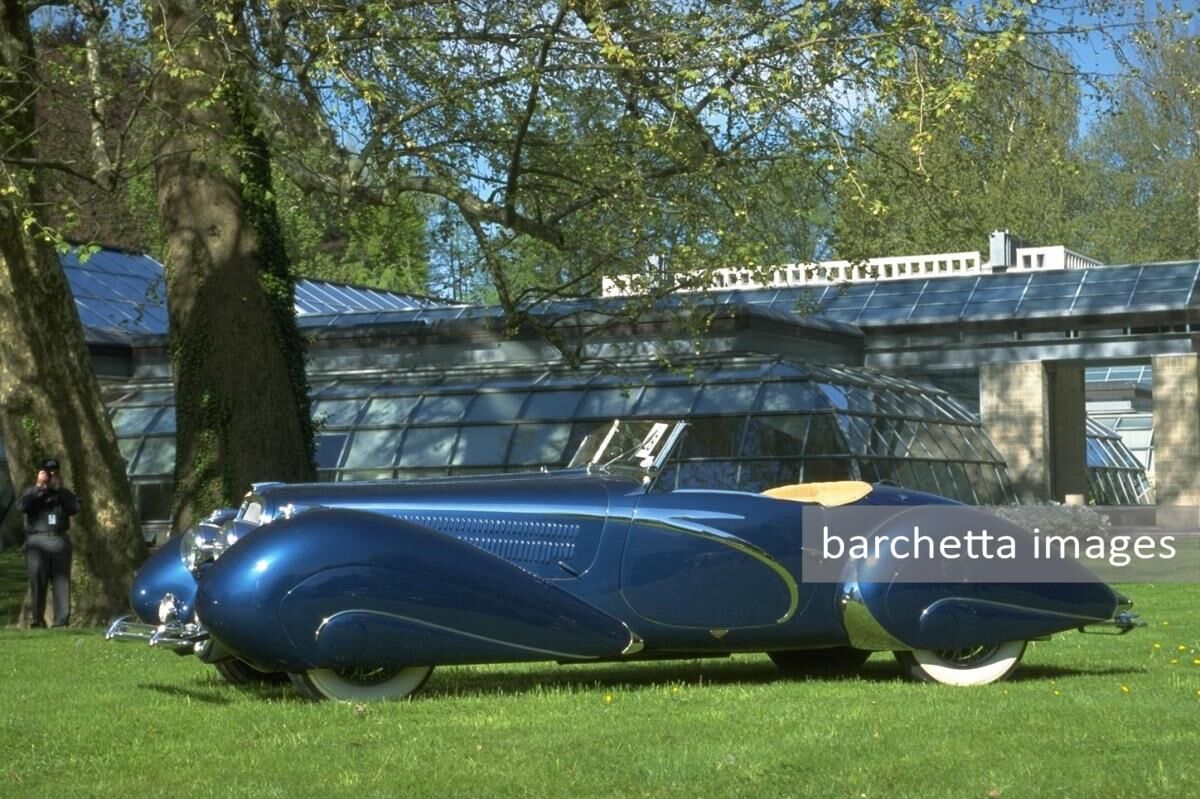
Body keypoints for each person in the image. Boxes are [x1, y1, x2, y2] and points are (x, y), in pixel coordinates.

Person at [17, 458, 79, 628]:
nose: (51, 476)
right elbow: (22, 506)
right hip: (37, 540)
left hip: (59, 540)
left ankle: (61, 621)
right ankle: (37, 619)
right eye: (47, 473)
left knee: (61, 581)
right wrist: (39, 487)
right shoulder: (32, 492)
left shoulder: (63, 493)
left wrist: (59, 489)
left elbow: (74, 508)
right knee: (37, 580)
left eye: (55, 473)